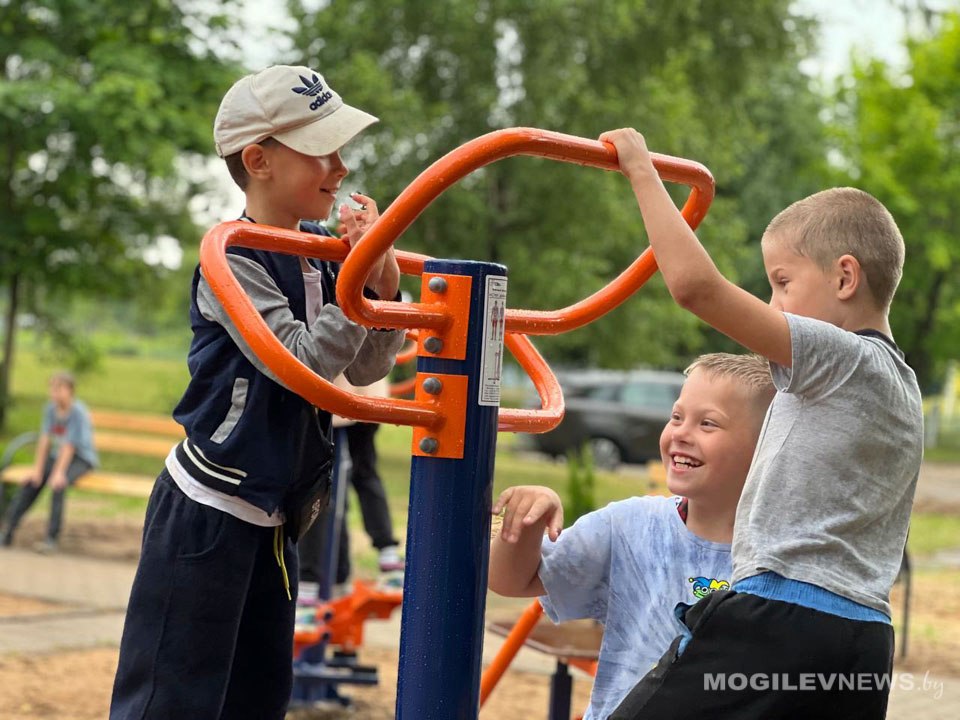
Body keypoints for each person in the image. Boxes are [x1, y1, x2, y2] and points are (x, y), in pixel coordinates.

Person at [110, 65, 405, 720]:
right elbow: (304, 363)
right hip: (210, 507)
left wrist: (381, 285)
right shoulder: (232, 256)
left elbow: (364, 368)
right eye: (321, 151)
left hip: (279, 514)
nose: (340, 166)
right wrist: (356, 281)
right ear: (259, 160)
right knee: (171, 700)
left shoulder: (324, 252)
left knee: (256, 697)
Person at [599, 129, 924, 719]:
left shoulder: (842, 357)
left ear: (845, 279)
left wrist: (642, 171)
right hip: (864, 640)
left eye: (782, 282)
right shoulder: (902, 387)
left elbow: (697, 289)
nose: (772, 305)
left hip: (780, 621)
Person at [488, 353, 775, 720]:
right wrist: (526, 526)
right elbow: (510, 580)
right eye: (676, 417)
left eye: (707, 424)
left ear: (765, 449)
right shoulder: (629, 527)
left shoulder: (781, 559)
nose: (681, 433)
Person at [296, 376, 403, 627]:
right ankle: (387, 557)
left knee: (320, 486)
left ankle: (308, 593)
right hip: (368, 392)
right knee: (364, 474)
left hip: (335, 394)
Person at [1, 371, 98, 553]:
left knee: (57, 485)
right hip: (59, 456)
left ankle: (51, 539)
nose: (54, 393)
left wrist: (58, 473)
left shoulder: (78, 411)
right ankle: (8, 531)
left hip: (81, 458)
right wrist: (37, 470)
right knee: (31, 482)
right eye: (52, 388)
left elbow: (69, 446)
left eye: (59, 388)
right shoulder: (50, 409)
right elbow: (45, 440)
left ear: (70, 390)